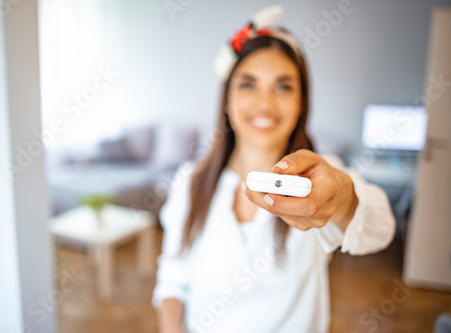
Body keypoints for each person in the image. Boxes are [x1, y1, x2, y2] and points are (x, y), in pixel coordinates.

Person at [151, 5, 395, 333]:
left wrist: (342, 199)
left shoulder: (319, 181)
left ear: (301, 102)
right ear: (227, 98)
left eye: (283, 87)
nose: (265, 103)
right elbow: (172, 282)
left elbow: (380, 229)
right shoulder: (189, 183)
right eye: (248, 85)